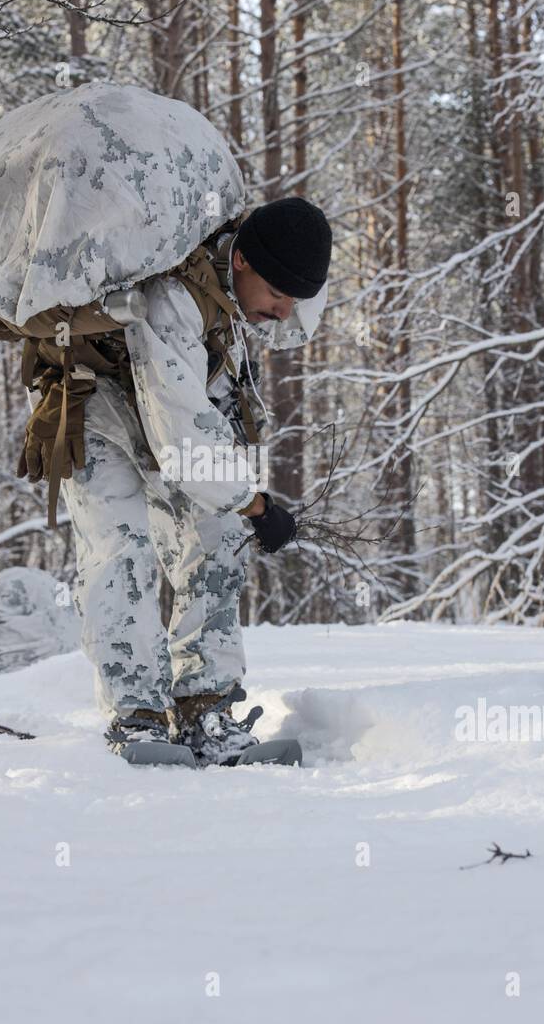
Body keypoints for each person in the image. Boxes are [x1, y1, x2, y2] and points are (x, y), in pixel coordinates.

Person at [43, 195, 332, 762]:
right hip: (98, 420)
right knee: (120, 555)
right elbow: (185, 438)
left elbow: (207, 420)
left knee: (217, 543)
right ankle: (138, 717)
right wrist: (255, 504)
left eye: (292, 301)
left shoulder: (226, 304)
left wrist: (241, 504)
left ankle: (207, 709)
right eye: (276, 295)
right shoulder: (173, 297)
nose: (280, 312)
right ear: (243, 260)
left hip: (164, 431)